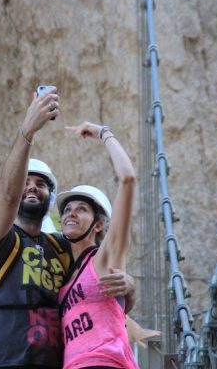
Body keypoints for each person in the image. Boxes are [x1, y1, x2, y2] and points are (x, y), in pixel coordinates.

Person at [0, 89, 135, 368]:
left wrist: (130, 288)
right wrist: (27, 131)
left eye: (41, 184)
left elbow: (100, 296)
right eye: (26, 181)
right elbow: (6, 197)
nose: (32, 188)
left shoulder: (63, 249)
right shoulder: (0, 238)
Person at [57, 121, 140, 369]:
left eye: (81, 209)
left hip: (106, 363)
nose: (71, 214)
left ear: (98, 225)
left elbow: (127, 179)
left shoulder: (104, 258)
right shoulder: (63, 275)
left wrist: (103, 133)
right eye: (67, 209)